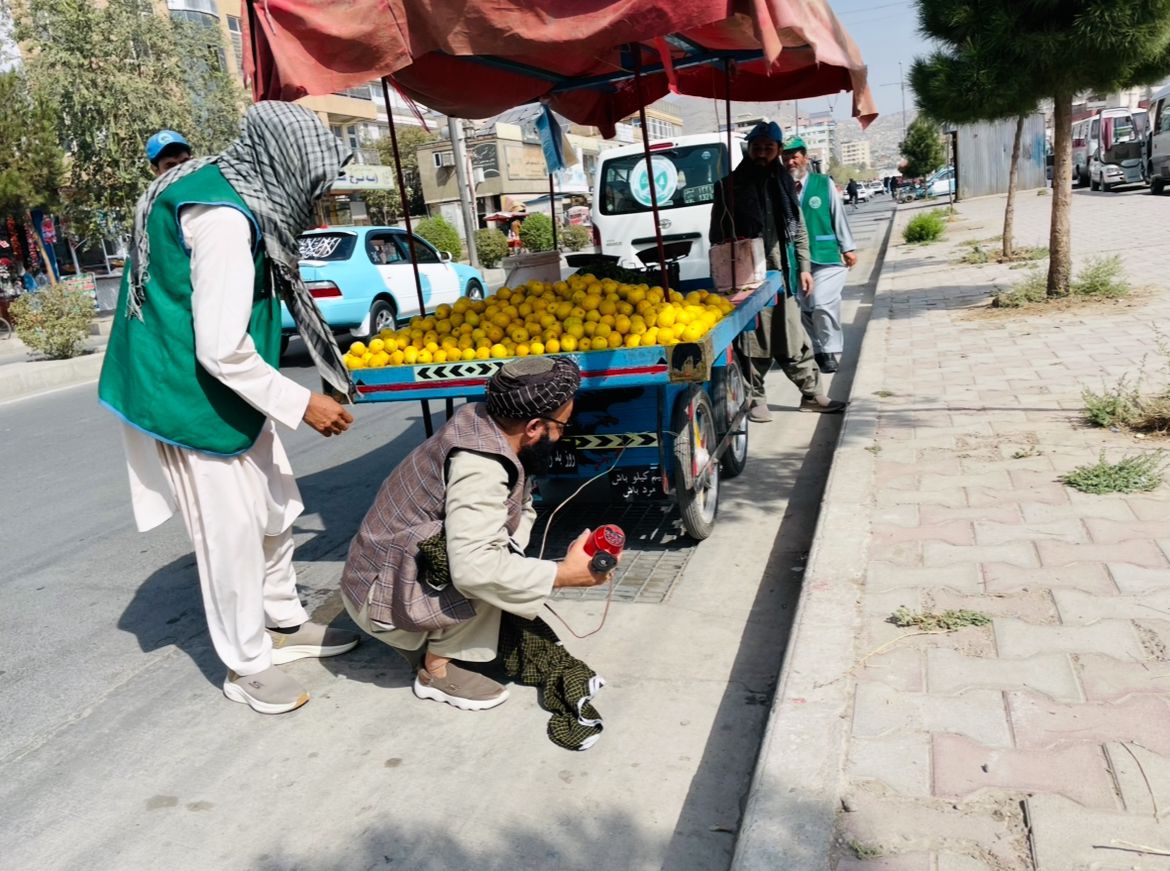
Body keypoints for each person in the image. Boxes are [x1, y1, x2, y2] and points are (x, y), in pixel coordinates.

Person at [99, 102, 361, 715]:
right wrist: (303, 401)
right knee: (231, 532)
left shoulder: (236, 188)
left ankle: (283, 623)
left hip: (230, 384)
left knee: (275, 505)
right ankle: (246, 664)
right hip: (185, 390)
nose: (315, 195)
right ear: (284, 166)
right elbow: (219, 348)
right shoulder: (221, 218)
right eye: (311, 180)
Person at [340, 356, 613, 712]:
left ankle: (435, 631)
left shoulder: (482, 422)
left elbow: (519, 511)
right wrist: (562, 575)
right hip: (378, 599)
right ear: (533, 427)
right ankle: (435, 669)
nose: (562, 434)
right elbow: (475, 569)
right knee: (487, 570)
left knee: (502, 563)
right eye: (562, 425)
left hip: (378, 574)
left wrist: (515, 558)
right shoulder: (481, 466)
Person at [709, 121, 846, 418]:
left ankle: (812, 395)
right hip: (747, 279)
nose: (761, 153)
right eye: (757, 148)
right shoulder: (728, 187)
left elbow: (799, 229)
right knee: (752, 341)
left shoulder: (784, 183)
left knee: (794, 337)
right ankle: (755, 399)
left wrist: (804, 267)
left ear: (778, 149)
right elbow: (716, 236)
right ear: (748, 149)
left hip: (783, 274)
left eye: (768, 148)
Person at [783, 136, 858, 374]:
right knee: (806, 307)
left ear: (805, 158)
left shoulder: (823, 183)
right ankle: (819, 350)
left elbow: (838, 214)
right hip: (795, 260)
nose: (790, 162)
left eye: (795, 157)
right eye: (786, 158)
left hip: (825, 256)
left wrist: (847, 246)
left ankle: (830, 349)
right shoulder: (781, 187)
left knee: (822, 302)